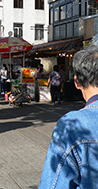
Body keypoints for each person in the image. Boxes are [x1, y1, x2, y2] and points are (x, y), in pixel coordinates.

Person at [39, 45, 98, 188]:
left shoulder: (72, 125)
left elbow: (54, 183)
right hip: (58, 85)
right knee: (57, 94)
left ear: (77, 82)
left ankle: (54, 101)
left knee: (55, 94)